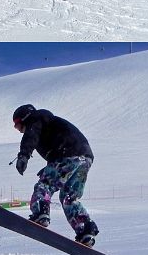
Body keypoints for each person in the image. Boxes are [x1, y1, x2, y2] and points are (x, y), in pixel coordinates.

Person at [11, 105, 99, 246]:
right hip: (85, 159)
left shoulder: (36, 119)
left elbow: (30, 137)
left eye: (18, 125)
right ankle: (85, 230)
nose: (19, 130)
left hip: (67, 154)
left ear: (25, 118)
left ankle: (40, 213)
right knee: (69, 198)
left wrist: (24, 155)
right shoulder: (49, 123)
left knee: (44, 185)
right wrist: (50, 167)